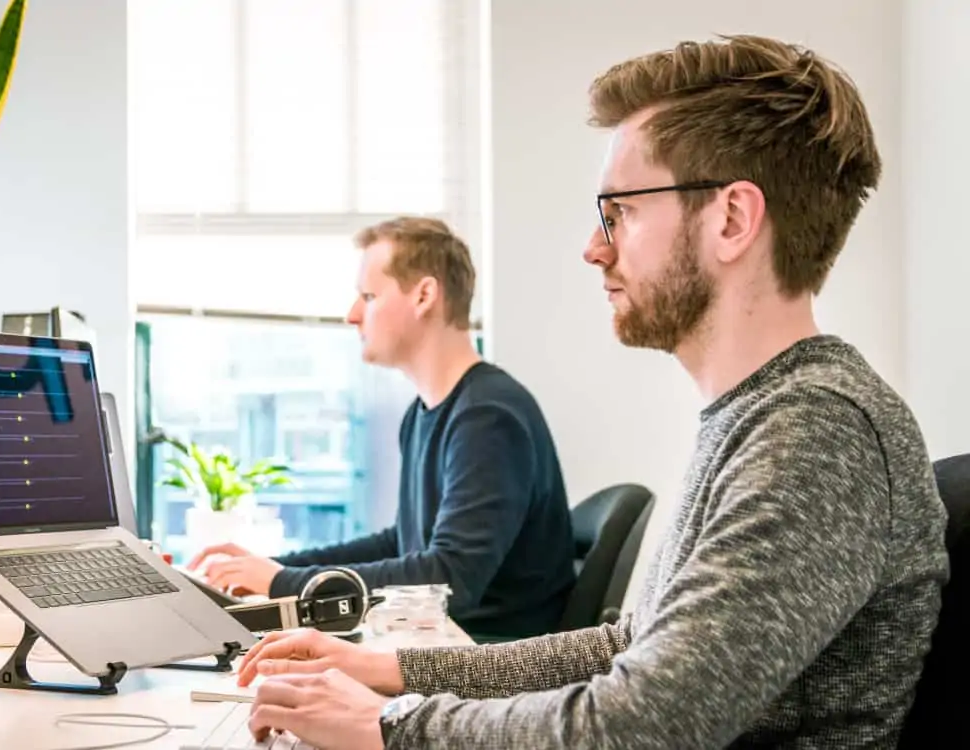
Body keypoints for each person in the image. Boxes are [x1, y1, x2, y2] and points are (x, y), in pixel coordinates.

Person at [231, 35, 951, 749]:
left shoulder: (819, 433)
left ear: (731, 220)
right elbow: (630, 647)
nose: (594, 246)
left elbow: (644, 722)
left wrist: (387, 726)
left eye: (622, 212)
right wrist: (386, 667)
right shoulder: (761, 416)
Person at [187, 216, 578, 639]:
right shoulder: (425, 413)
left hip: (485, 659)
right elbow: (403, 543)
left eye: (369, 296)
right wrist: (278, 568)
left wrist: (282, 584)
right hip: (441, 643)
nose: (352, 315)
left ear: (424, 295)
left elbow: (449, 580)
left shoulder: (488, 418)